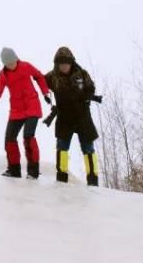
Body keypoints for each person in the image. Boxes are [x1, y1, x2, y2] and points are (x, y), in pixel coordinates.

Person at [0, 47, 52, 178]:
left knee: (28, 136)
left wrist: (45, 92)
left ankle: (33, 171)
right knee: (9, 138)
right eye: (7, 64)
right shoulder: (3, 75)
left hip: (32, 106)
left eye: (12, 62)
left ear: (16, 59)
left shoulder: (26, 66)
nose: (11, 65)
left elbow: (39, 76)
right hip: (16, 110)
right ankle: (14, 170)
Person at [43, 46, 100, 185]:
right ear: (57, 64)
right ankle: (61, 180)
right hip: (64, 117)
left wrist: (85, 96)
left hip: (83, 116)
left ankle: (93, 181)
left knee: (88, 149)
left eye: (66, 63)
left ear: (71, 62)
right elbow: (39, 81)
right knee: (62, 148)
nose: (64, 66)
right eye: (61, 63)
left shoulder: (82, 73)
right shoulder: (51, 77)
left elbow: (91, 87)